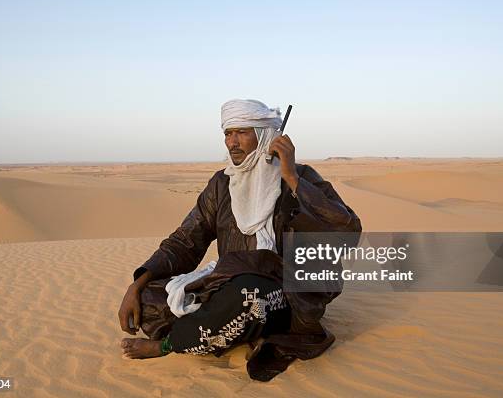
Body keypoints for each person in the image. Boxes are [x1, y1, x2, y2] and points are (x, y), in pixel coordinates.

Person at [118, 99, 362, 381]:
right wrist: (137, 284)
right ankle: (235, 329)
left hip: (285, 293)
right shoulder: (222, 184)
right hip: (227, 282)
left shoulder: (300, 177)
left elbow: (346, 231)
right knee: (150, 299)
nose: (232, 142)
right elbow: (185, 241)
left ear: (264, 135)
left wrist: (292, 179)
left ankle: (168, 346)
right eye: (227, 133)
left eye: (242, 132)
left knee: (247, 293)